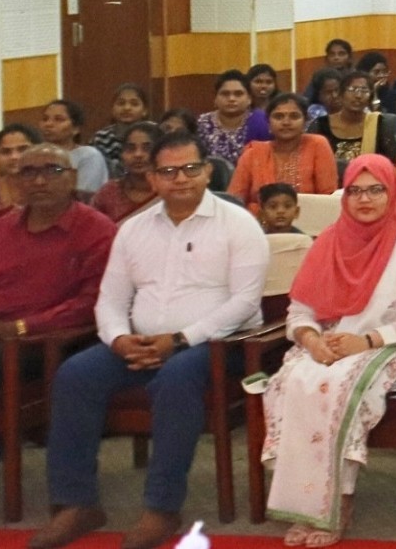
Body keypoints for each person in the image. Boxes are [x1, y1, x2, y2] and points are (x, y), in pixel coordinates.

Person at [32, 134, 265, 549]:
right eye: (169, 171)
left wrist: (179, 339)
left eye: (190, 169)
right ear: (153, 178)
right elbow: (110, 300)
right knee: (74, 375)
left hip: (217, 345)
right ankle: (76, 503)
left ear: (207, 172)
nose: (181, 179)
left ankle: (162, 507)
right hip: (139, 344)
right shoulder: (133, 229)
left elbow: (245, 302)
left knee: (175, 379)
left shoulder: (239, 224)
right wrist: (119, 339)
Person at [262, 156, 396, 545]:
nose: (364, 199)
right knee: (295, 379)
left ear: (393, 193)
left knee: (340, 384)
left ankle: (339, 501)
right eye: (355, 190)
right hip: (332, 342)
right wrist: (312, 341)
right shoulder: (328, 242)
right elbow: (299, 311)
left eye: (375, 190)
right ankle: (306, 505)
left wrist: (366, 341)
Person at [0, 143, 118, 516]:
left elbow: (91, 304)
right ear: (15, 181)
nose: (39, 181)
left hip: (44, 340)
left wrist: (18, 328)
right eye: (28, 172)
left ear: (72, 177)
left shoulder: (96, 229)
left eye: (51, 171)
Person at [231, 93, 338, 205]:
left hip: (310, 214)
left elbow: (328, 197)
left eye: (294, 116)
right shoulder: (253, 153)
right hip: (258, 216)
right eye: (278, 117)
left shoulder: (317, 145)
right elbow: (234, 200)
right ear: (268, 124)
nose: (286, 122)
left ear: (305, 123)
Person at [312, 70, 396, 165]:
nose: (358, 96)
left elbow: (391, 163)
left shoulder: (379, 124)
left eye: (364, 91)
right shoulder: (320, 125)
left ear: (370, 98)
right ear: (341, 94)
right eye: (352, 89)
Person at [92, 122, 162, 222]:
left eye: (147, 149)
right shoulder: (109, 192)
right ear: (122, 154)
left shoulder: (170, 192)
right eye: (130, 149)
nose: (138, 154)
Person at [38, 100, 109, 194]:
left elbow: (85, 195)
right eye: (45, 119)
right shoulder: (36, 157)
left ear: (76, 128)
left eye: (59, 119)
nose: (48, 124)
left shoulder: (88, 155)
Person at [196, 71, 258, 166]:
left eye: (238, 94)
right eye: (225, 94)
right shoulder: (203, 123)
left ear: (249, 99)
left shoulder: (260, 122)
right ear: (215, 98)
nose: (231, 99)